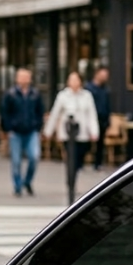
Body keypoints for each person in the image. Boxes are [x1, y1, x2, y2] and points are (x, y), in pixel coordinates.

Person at [44, 71, 99, 204]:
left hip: (82, 134)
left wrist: (94, 131)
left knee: (79, 159)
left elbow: (91, 114)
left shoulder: (87, 96)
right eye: (71, 80)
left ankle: (74, 174)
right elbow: (55, 113)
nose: (74, 82)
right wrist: (49, 131)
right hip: (68, 134)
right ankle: (71, 184)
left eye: (76, 80)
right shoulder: (63, 96)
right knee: (70, 160)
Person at [0, 68, 44, 197]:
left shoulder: (35, 94)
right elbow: (5, 112)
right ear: (17, 79)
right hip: (16, 131)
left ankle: (27, 181)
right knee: (16, 161)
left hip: (31, 130)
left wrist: (38, 126)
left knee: (34, 157)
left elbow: (39, 111)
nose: (24, 79)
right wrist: (7, 129)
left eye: (26, 76)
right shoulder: (10, 94)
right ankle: (17, 185)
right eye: (21, 76)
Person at [84, 66, 111, 171]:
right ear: (97, 74)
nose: (105, 78)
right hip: (91, 118)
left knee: (100, 143)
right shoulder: (89, 88)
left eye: (106, 76)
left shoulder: (106, 89)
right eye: (103, 75)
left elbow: (107, 105)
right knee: (87, 142)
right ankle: (81, 162)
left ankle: (97, 163)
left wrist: (108, 120)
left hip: (102, 119)